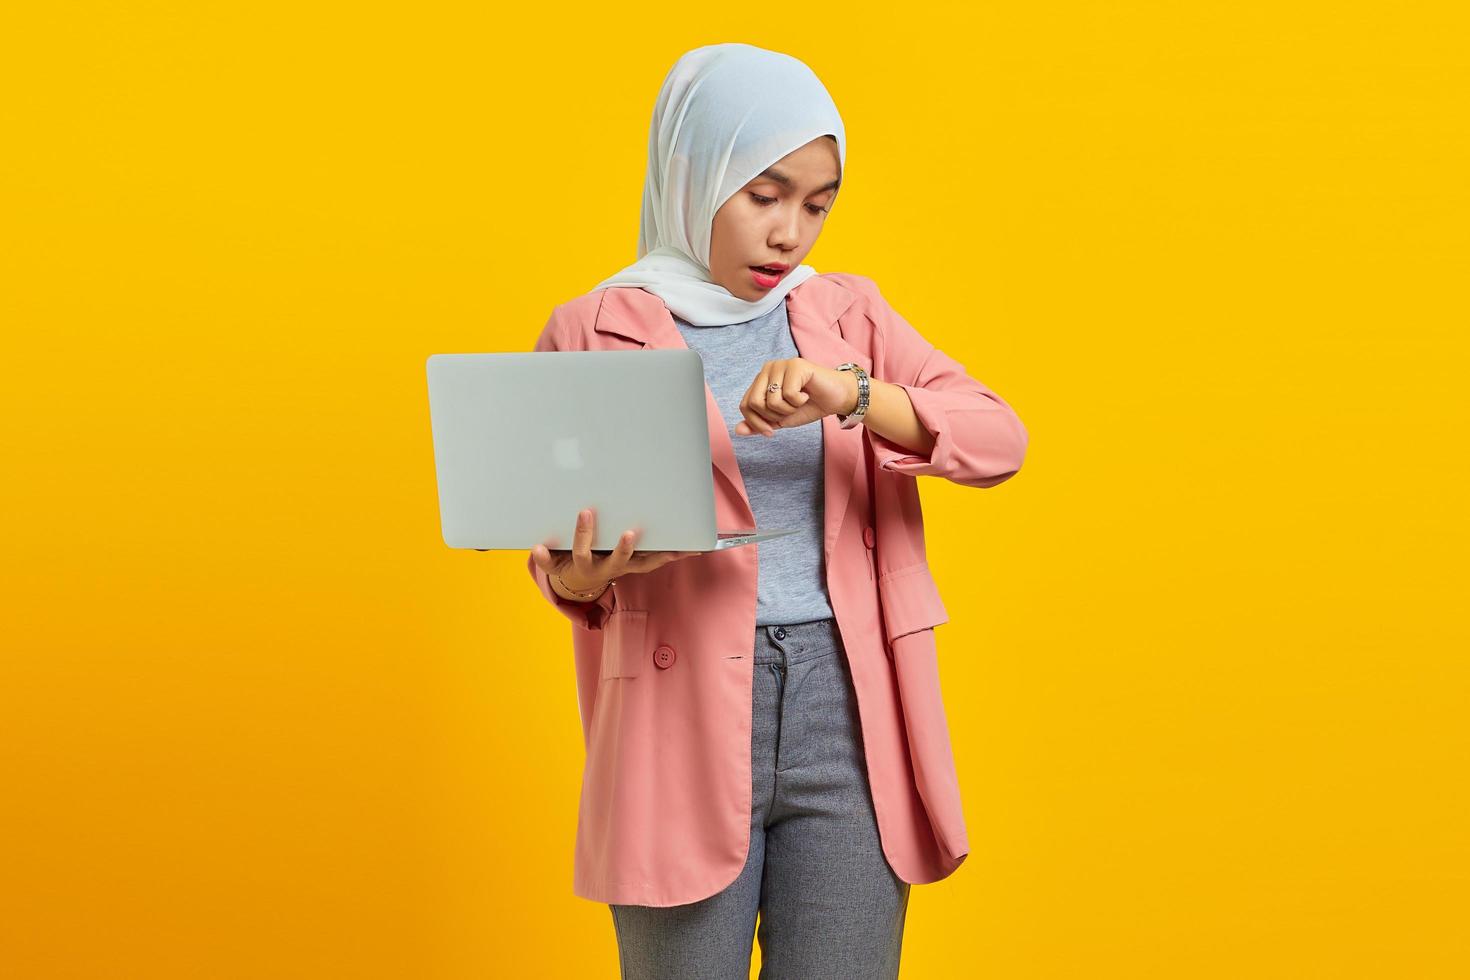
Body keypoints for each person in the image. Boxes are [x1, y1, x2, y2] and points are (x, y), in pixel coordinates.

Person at [525, 42, 1028, 980]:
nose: (791, 232)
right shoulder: (593, 327)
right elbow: (559, 549)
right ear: (693, 170)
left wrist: (852, 392)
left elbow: (998, 439)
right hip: (677, 715)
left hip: (851, 704)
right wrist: (586, 572)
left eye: (818, 202)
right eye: (764, 195)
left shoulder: (850, 316)